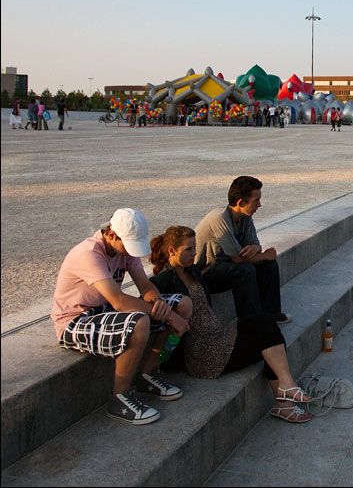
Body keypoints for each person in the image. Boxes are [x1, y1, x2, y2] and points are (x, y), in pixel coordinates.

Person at [149, 226, 314, 423]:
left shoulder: (192, 270)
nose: (195, 253)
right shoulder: (163, 281)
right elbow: (158, 316)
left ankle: (285, 392)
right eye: (189, 249)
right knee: (267, 335)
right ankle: (284, 400)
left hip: (219, 334)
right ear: (171, 251)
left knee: (267, 325)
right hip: (203, 352)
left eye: (195, 248)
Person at [51, 208, 192, 425]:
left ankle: (147, 374)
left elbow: (145, 285)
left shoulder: (123, 250)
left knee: (182, 304)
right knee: (139, 322)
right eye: (127, 245)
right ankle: (120, 398)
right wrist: (169, 318)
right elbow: (119, 300)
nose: (129, 251)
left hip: (105, 311)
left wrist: (158, 302)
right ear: (112, 234)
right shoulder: (89, 254)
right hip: (75, 321)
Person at [194, 176, 291, 325]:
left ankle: (271, 313)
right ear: (241, 202)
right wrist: (265, 254)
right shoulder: (219, 218)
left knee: (268, 265)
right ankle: (250, 322)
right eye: (256, 200)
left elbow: (254, 246)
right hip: (205, 272)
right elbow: (237, 259)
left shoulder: (245, 217)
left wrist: (257, 248)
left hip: (227, 266)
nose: (260, 204)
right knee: (245, 270)